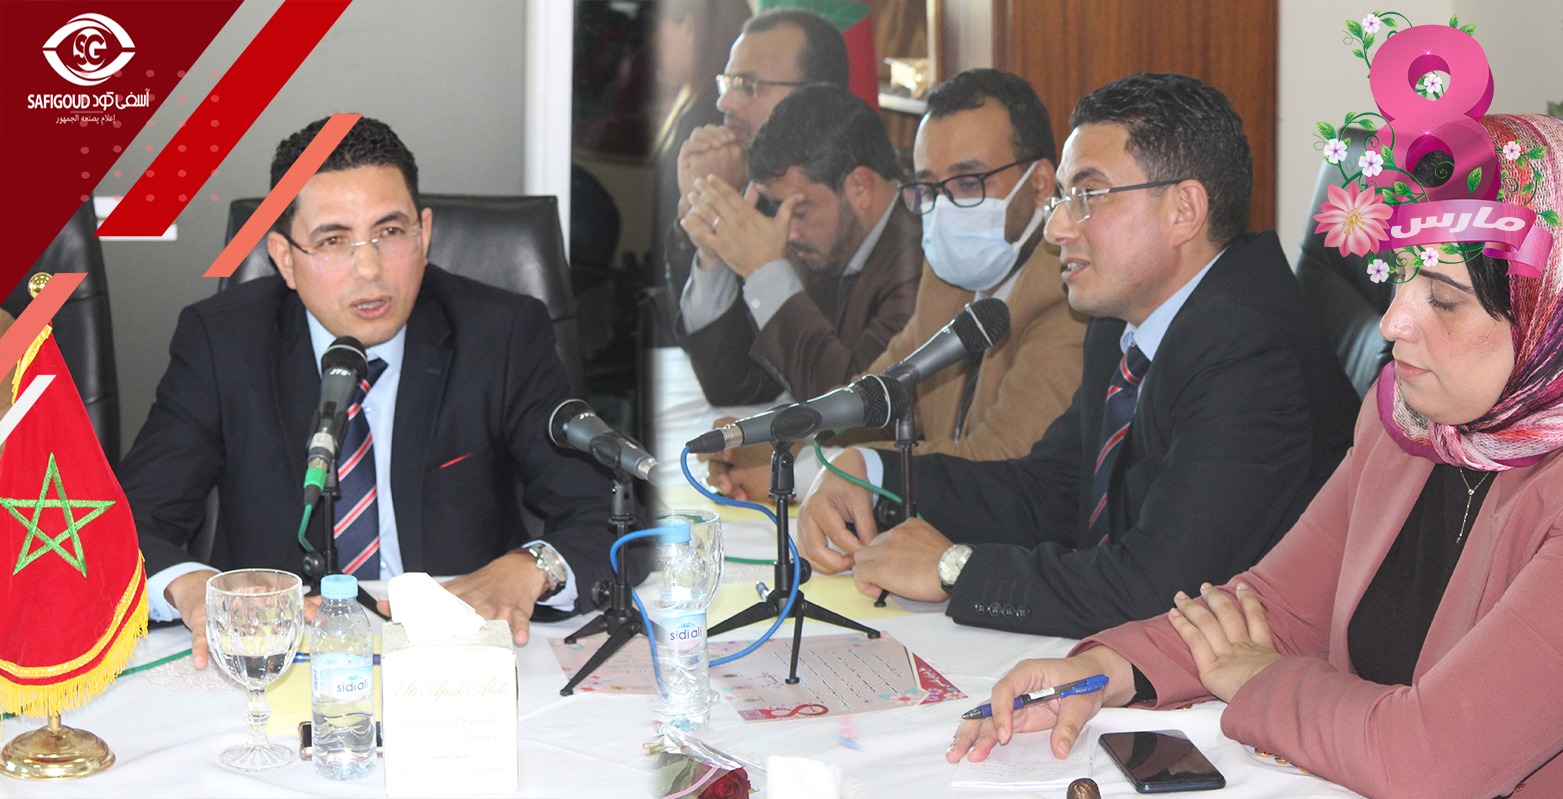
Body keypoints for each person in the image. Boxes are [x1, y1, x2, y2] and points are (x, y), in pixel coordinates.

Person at [950, 112, 1563, 799]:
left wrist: (1261, 678)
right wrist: (1102, 671)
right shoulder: (1407, 422)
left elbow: (1430, 758)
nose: (1392, 322)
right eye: (1400, 277)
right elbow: (1274, 606)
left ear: (1548, 318)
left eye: (1443, 300)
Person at [798, 73, 1359, 638]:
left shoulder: (1251, 351)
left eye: (1087, 196)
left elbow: (1160, 589)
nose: (1056, 226)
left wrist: (954, 570)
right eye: (1063, 198)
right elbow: (1051, 489)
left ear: (1184, 210)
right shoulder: (1122, 321)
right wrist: (876, 472)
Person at [122, 117, 617, 666]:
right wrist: (193, 586)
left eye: (390, 232)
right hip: (278, 658)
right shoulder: (223, 344)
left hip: (457, 658)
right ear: (285, 258)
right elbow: (128, 523)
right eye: (333, 241)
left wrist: (530, 568)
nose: (369, 268)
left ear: (424, 233)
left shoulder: (500, 336)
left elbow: (607, 511)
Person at [704, 68, 1086, 502]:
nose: (944, 209)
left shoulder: (1065, 294)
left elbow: (1001, 463)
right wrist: (776, 440)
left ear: (1039, 184)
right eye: (929, 187)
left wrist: (809, 474)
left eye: (968, 183)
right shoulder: (948, 279)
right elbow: (872, 399)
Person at [678, 83, 921, 405]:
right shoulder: (820, 243)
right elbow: (736, 385)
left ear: (860, 187)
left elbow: (854, 410)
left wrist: (767, 273)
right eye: (777, 209)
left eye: (800, 211)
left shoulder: (921, 263)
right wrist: (714, 254)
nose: (787, 233)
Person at [661, 8, 849, 327]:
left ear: (815, 96)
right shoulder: (746, 181)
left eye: (748, 85)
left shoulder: (846, 201)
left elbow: (802, 345)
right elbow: (693, 333)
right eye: (728, 83)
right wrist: (702, 208)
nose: (723, 103)